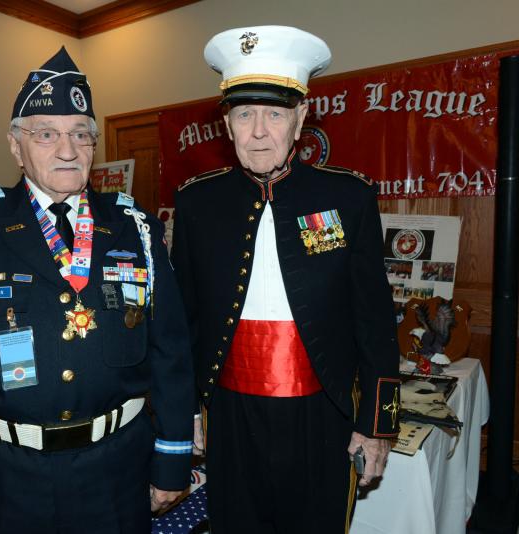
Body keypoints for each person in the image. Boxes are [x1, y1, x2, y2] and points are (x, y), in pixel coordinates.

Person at [0, 47, 194, 534]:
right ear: (16, 147)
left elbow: (171, 351)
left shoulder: (135, 228)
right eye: (46, 134)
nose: (67, 149)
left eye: (80, 134)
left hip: (118, 470)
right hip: (4, 477)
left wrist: (171, 459)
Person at [171, 26, 401, 533]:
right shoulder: (195, 204)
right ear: (226, 124)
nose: (258, 131)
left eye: (274, 114)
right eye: (244, 114)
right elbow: (182, 324)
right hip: (230, 414)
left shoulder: (349, 198)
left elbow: (376, 319)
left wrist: (378, 424)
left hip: (325, 411)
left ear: (300, 121)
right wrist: (184, 414)